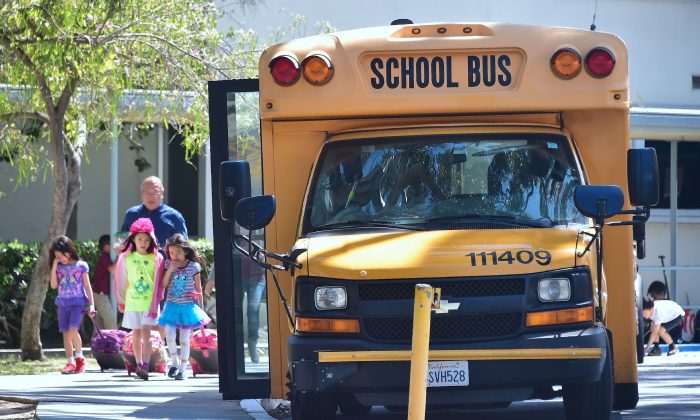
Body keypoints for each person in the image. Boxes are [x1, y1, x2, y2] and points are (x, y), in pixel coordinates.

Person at [114, 218, 165, 380]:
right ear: (133, 240)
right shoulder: (126, 258)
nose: (143, 243)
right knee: (135, 334)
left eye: (146, 240)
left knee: (146, 332)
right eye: (139, 239)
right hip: (132, 302)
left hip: (149, 303)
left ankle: (145, 365)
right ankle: (138, 363)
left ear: (151, 240)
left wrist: (156, 301)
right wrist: (121, 301)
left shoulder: (157, 259)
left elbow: (159, 284)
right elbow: (121, 280)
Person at [159, 234, 210, 380]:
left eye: (178, 253)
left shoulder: (193, 266)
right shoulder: (169, 264)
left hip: (188, 307)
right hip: (171, 306)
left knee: (184, 339)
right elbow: (163, 284)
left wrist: (201, 308)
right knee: (169, 335)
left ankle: (183, 368)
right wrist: (170, 270)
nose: (174, 256)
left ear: (186, 252)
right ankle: (174, 363)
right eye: (172, 253)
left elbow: (198, 289)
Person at [49, 236, 96, 374]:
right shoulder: (58, 267)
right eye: (57, 256)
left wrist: (92, 305)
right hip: (63, 302)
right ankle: (70, 362)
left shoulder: (81, 266)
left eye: (62, 254)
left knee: (72, 329)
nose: (61, 258)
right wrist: (54, 266)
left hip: (77, 302)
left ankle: (79, 358)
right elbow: (53, 285)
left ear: (69, 250)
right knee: (65, 333)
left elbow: (87, 286)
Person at [121, 176, 188, 249]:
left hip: (164, 259)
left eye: (155, 192)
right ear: (141, 194)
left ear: (162, 194)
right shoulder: (131, 214)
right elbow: (122, 239)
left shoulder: (174, 216)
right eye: (147, 192)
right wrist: (120, 246)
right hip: (137, 259)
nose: (151, 197)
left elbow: (184, 246)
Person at [92, 234, 118, 329]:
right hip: (100, 293)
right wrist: (120, 256)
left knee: (100, 321)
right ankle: (114, 340)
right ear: (106, 246)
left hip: (100, 293)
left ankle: (97, 340)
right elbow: (112, 269)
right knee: (109, 317)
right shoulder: (104, 257)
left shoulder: (106, 256)